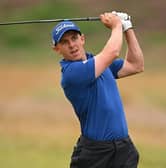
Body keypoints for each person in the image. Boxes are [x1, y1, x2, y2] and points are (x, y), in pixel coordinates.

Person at [51, 11, 144, 168]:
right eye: (65, 42)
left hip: (123, 149)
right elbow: (112, 52)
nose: (72, 45)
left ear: (82, 39)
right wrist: (116, 26)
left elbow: (136, 65)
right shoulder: (71, 73)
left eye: (74, 38)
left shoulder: (99, 64)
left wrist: (127, 27)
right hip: (95, 153)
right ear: (57, 49)